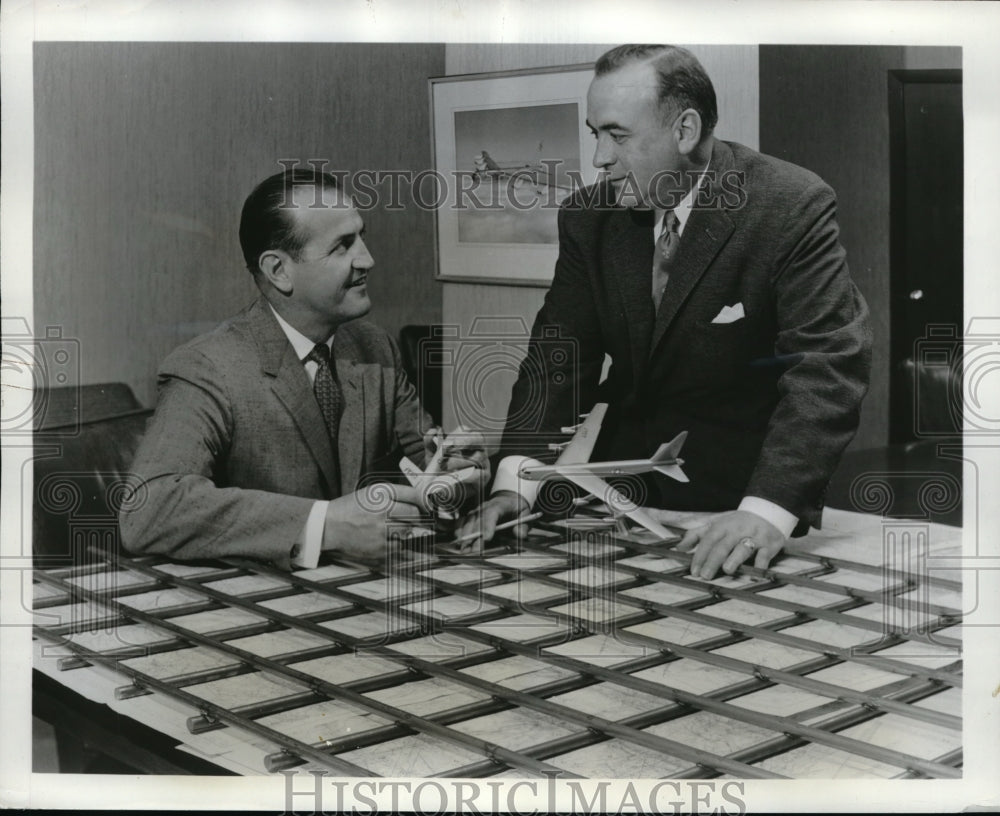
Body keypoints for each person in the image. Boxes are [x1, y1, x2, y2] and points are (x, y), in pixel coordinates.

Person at [459, 44, 872, 579]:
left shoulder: (788, 204)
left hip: (740, 506)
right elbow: (559, 359)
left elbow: (828, 366)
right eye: (595, 134)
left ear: (685, 130)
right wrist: (516, 482)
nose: (600, 158)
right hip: (620, 499)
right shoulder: (589, 217)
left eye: (618, 135)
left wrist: (764, 512)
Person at [120, 168, 486, 568]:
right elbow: (148, 510)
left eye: (361, 237)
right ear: (279, 271)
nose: (367, 259)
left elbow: (424, 471)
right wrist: (325, 527)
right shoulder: (207, 368)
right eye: (343, 246)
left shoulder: (374, 348)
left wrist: (457, 478)